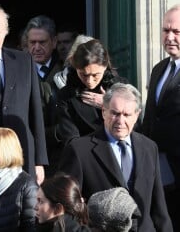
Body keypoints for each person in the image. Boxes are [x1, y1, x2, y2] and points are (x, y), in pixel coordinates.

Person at [58, 83, 173, 231]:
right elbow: (65, 206)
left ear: (137, 115)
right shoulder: (79, 150)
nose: (120, 121)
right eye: (115, 113)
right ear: (104, 112)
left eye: (126, 115)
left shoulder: (149, 147)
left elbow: (159, 208)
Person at [0, 3, 48, 185]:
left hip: (21, 152)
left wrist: (39, 161)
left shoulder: (23, 60)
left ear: (6, 32)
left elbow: (35, 111)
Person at [142, 4, 180, 231]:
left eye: (177, 32)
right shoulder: (159, 69)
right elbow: (151, 116)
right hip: (157, 163)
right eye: (166, 30)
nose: (170, 37)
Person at [56, 39, 127, 146]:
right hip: (86, 155)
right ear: (76, 69)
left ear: (105, 66)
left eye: (95, 75)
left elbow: (135, 127)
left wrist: (109, 105)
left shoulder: (121, 88)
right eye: (83, 74)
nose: (89, 81)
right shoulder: (66, 95)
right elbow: (70, 139)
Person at [23, 15, 62, 177]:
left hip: (61, 151)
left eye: (42, 42)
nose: (37, 47)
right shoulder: (18, 72)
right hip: (29, 151)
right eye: (33, 43)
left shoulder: (67, 72)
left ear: (54, 42)